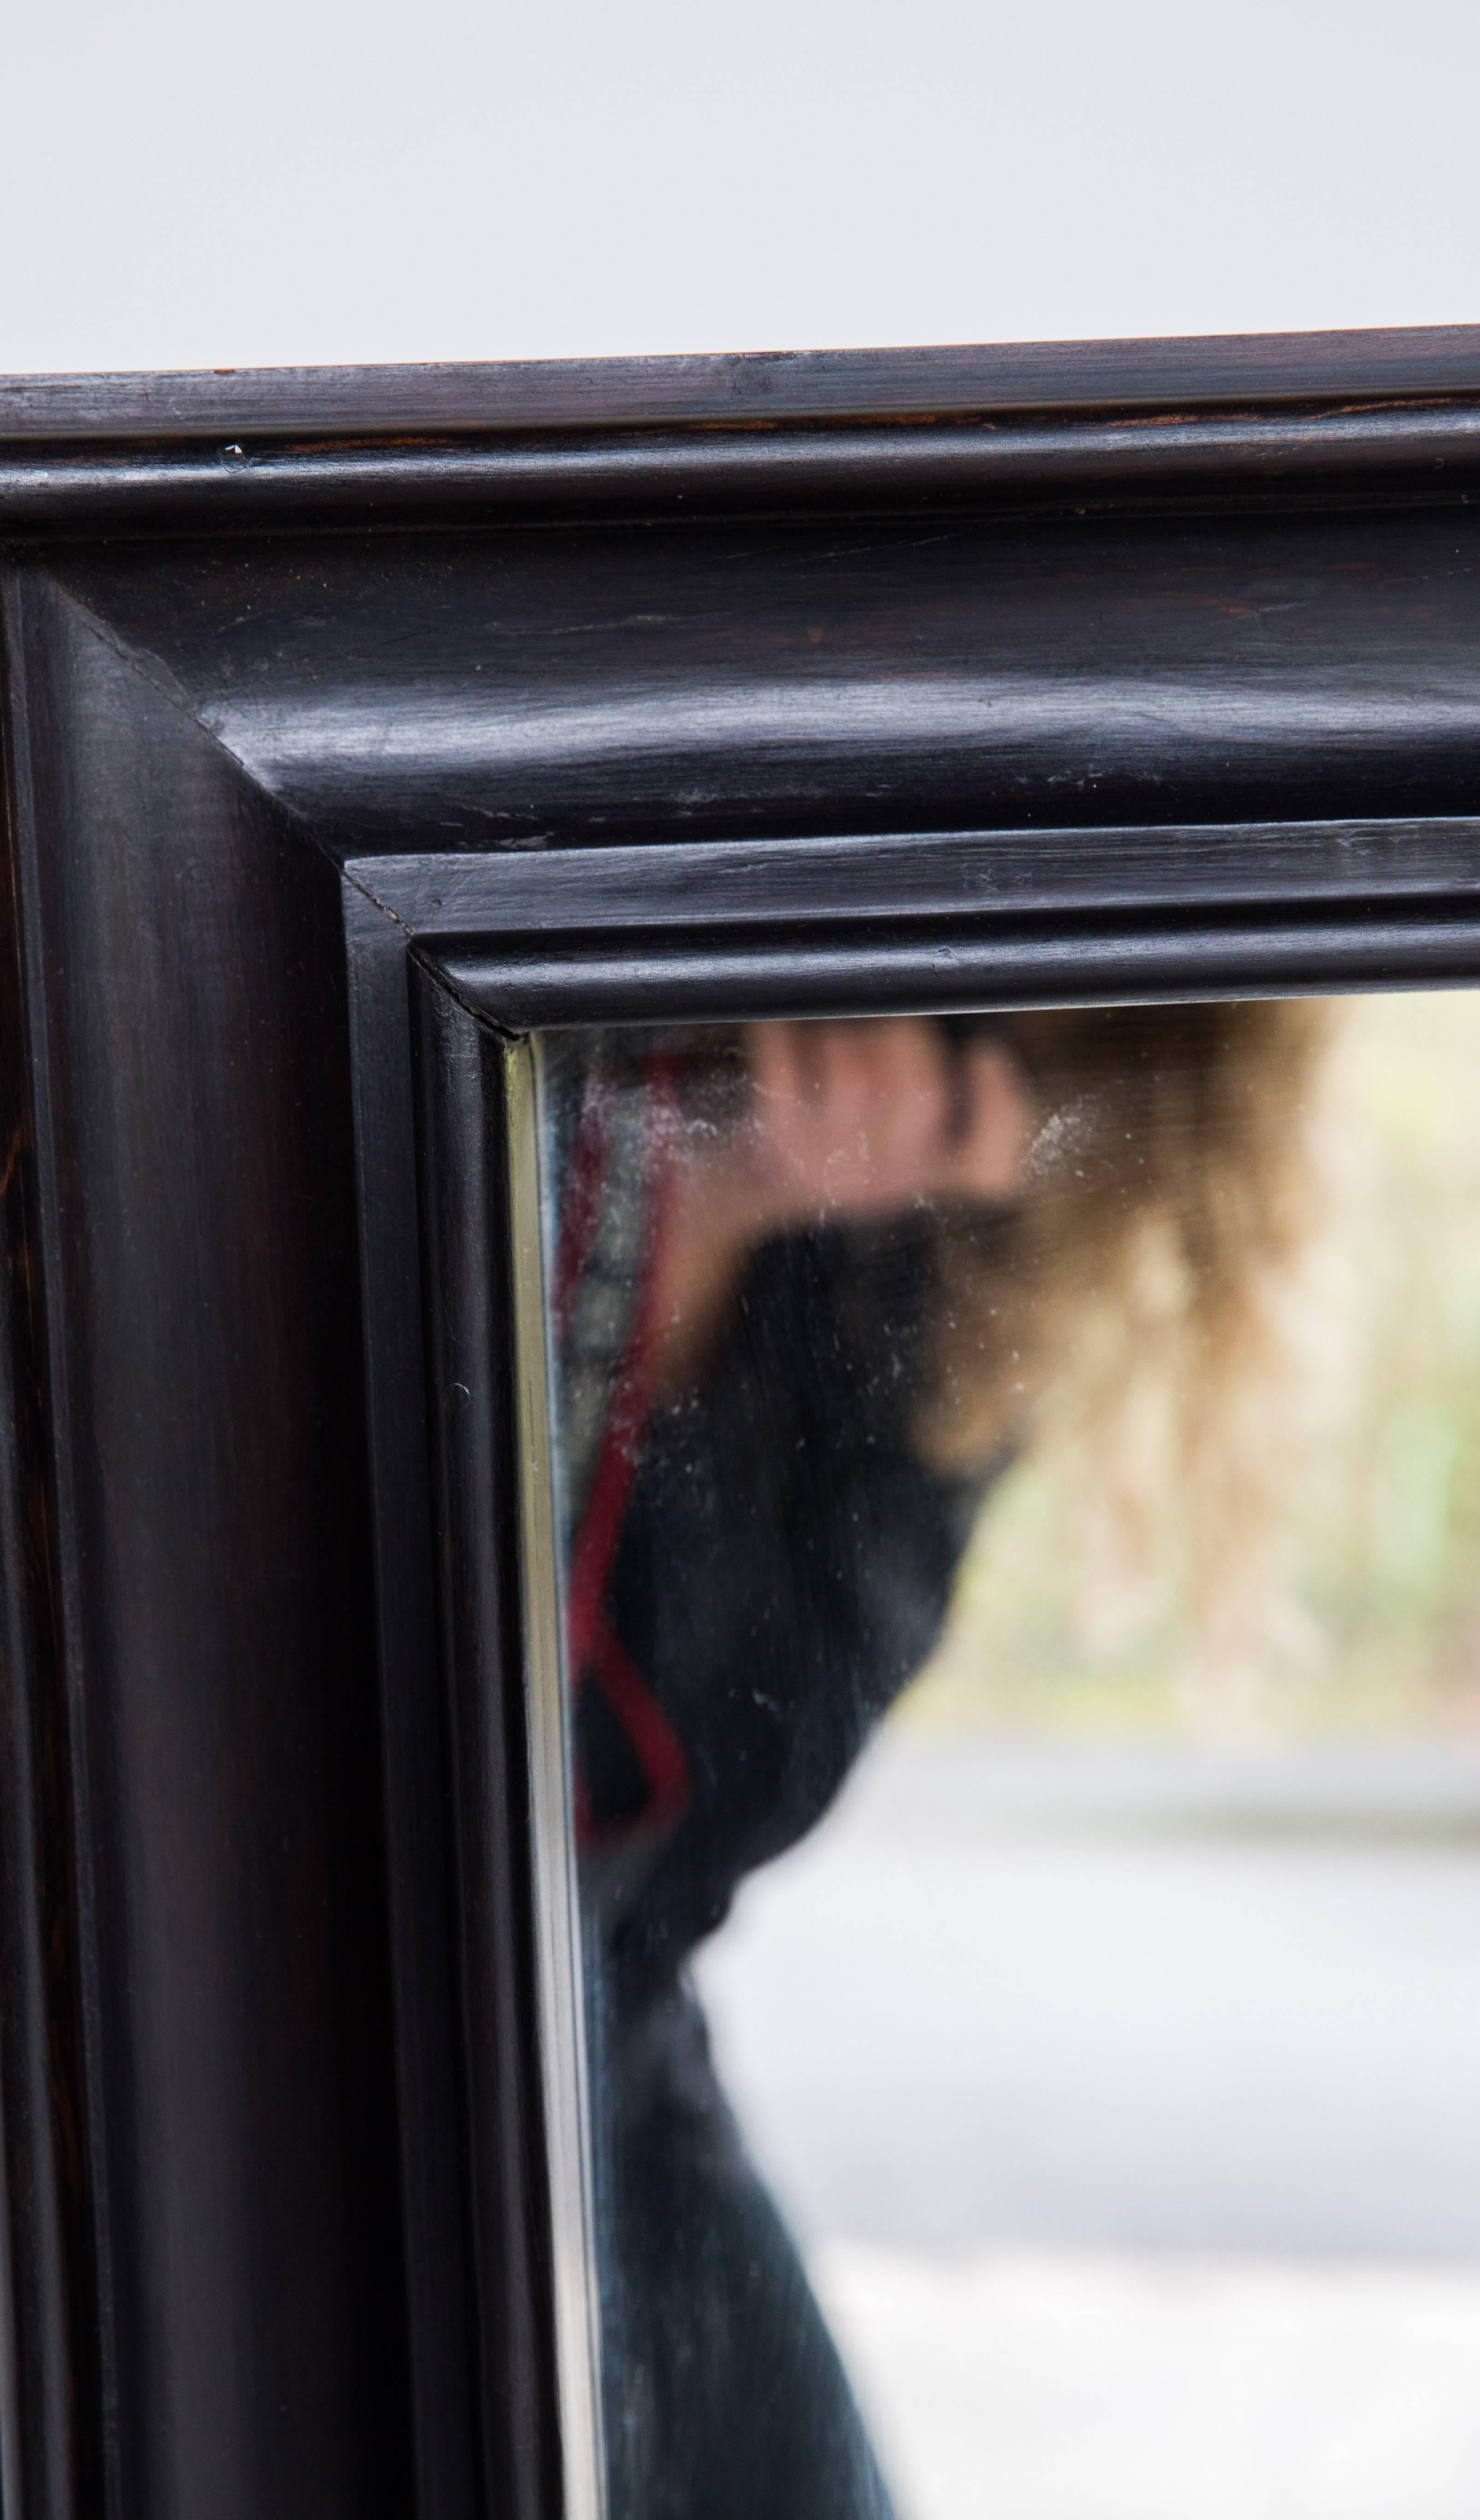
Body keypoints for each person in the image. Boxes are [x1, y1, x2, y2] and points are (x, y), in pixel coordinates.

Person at [546, 1003, 1329, 2520]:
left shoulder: (913, 1343)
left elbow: (695, 1840)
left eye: (987, 1081)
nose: (895, 1060)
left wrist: (725, 1206)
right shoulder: (531, 1003)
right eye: (936, 982)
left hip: (594, 2031)